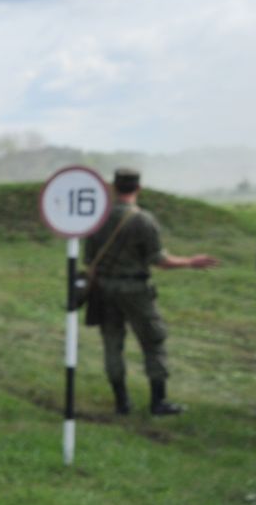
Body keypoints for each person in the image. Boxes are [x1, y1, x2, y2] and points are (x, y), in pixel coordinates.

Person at [83, 168, 219, 417]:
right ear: (138, 188)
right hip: (135, 290)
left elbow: (89, 260)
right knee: (153, 341)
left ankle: (121, 403)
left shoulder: (97, 219)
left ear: (114, 188)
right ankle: (158, 402)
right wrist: (191, 261)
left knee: (112, 344)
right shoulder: (143, 220)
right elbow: (160, 260)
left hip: (104, 289)